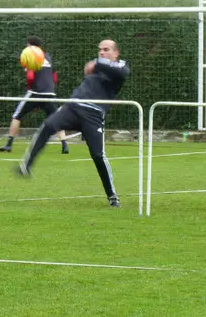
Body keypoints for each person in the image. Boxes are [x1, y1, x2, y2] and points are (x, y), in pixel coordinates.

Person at [17, 40, 129, 207]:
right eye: (100, 50)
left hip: (94, 113)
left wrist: (97, 63)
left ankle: (112, 196)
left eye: (106, 50)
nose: (102, 52)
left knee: (98, 156)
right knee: (48, 126)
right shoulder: (97, 66)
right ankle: (26, 165)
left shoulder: (119, 65)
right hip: (73, 106)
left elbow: (122, 73)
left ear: (116, 53)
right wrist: (95, 65)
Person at [0, 36, 69, 154]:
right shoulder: (48, 56)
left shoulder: (30, 56)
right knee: (56, 118)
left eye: (27, 45)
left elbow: (30, 77)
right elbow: (54, 77)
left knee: (17, 116)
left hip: (35, 92)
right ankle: (65, 145)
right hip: (50, 93)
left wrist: (33, 92)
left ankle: (9, 145)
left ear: (30, 45)